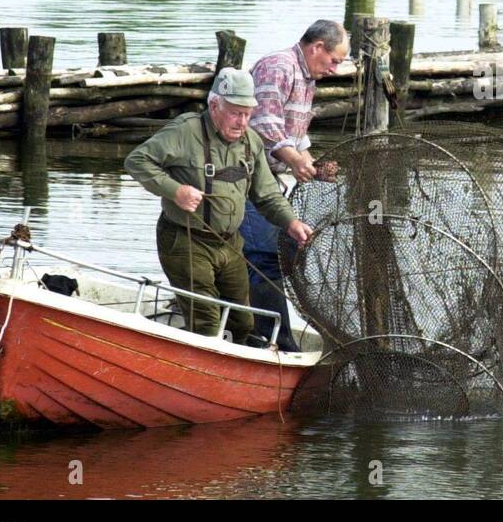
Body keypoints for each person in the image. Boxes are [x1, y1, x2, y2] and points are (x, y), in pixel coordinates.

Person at [124, 67, 314, 347]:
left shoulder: (251, 142)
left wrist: (291, 223)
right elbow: (137, 161)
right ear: (214, 105)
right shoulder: (185, 131)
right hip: (186, 240)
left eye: (248, 114)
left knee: (242, 321)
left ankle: (232, 374)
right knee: (206, 321)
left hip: (230, 245)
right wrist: (175, 191)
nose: (243, 121)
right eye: (236, 112)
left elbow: (267, 195)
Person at [240, 20, 350, 350]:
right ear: (317, 47)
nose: (334, 69)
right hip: (244, 176)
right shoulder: (279, 67)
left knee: (270, 255)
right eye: (334, 60)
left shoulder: (307, 78)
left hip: (269, 180)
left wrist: (313, 166)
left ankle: (266, 333)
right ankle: (273, 340)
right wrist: (294, 159)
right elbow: (262, 124)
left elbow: (296, 137)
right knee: (262, 256)